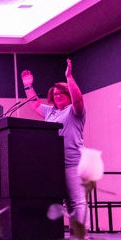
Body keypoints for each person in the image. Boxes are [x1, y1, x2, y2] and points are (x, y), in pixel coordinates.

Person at [23, 58, 87, 227]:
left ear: (68, 96)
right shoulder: (50, 112)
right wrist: (28, 86)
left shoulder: (74, 111)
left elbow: (78, 100)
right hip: (56, 163)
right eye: (55, 94)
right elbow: (35, 105)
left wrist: (69, 78)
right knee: (67, 202)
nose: (58, 96)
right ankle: (76, 234)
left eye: (62, 93)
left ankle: (82, 234)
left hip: (73, 162)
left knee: (78, 200)